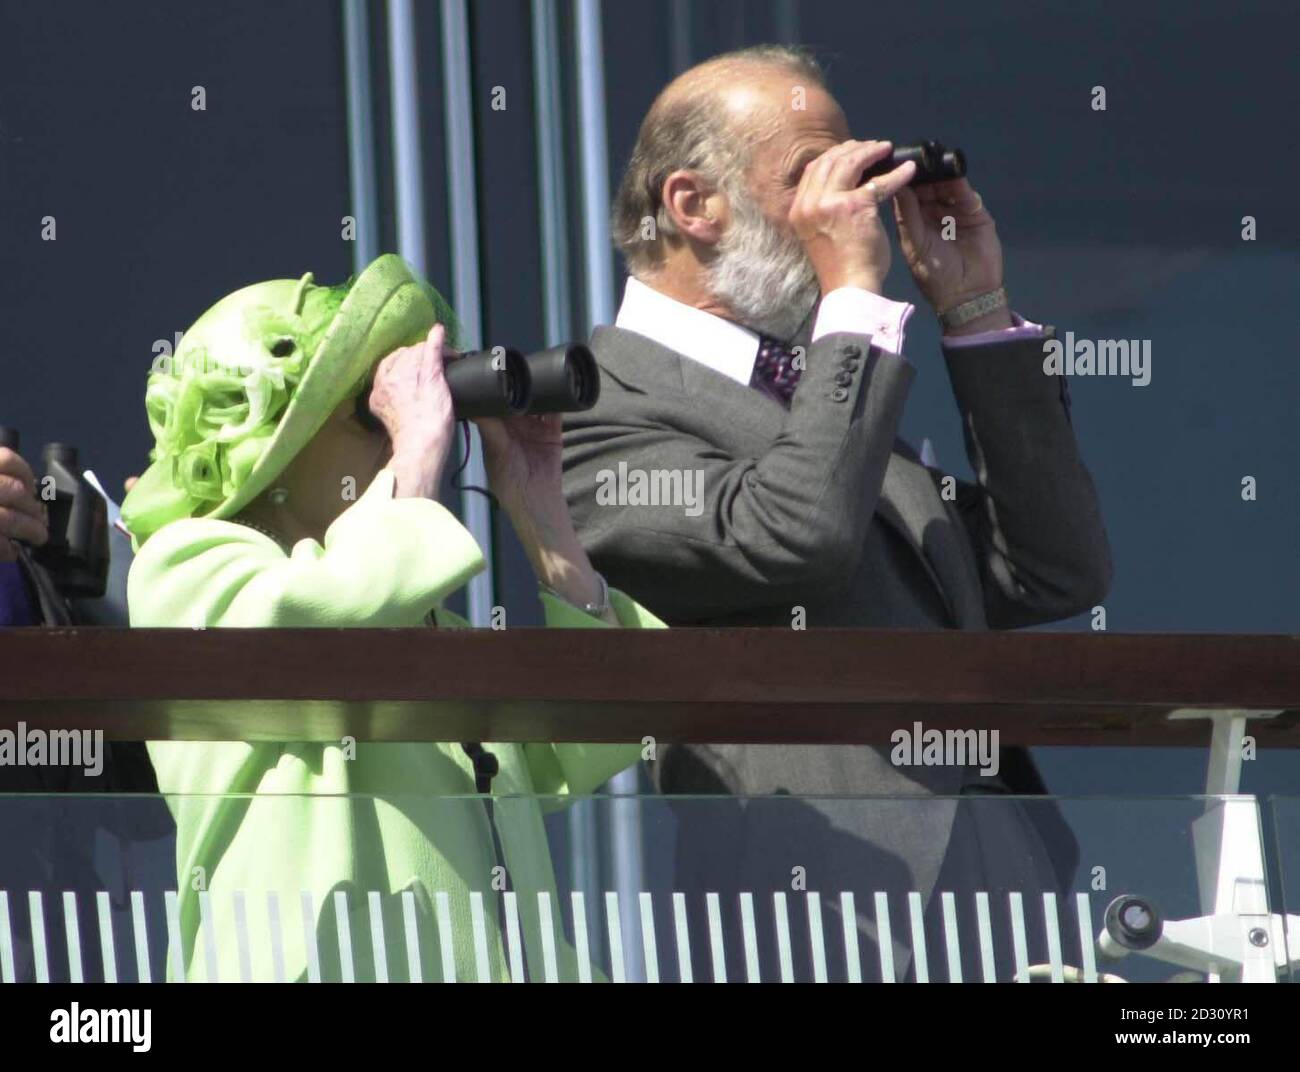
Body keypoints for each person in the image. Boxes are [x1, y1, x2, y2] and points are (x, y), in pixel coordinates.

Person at [561, 46, 1111, 980]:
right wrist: (853, 302)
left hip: (1005, 917)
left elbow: (1052, 571)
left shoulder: (821, 388)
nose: (848, 206)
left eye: (849, 172)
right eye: (809, 176)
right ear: (693, 205)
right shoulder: (597, 405)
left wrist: (975, 311)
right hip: (815, 921)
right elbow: (792, 538)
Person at [119, 254, 663, 982]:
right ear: (270, 450)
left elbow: (599, 729)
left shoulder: (423, 631)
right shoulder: (184, 570)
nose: (402, 423)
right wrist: (415, 454)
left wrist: (542, 515)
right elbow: (320, 626)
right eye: (366, 409)